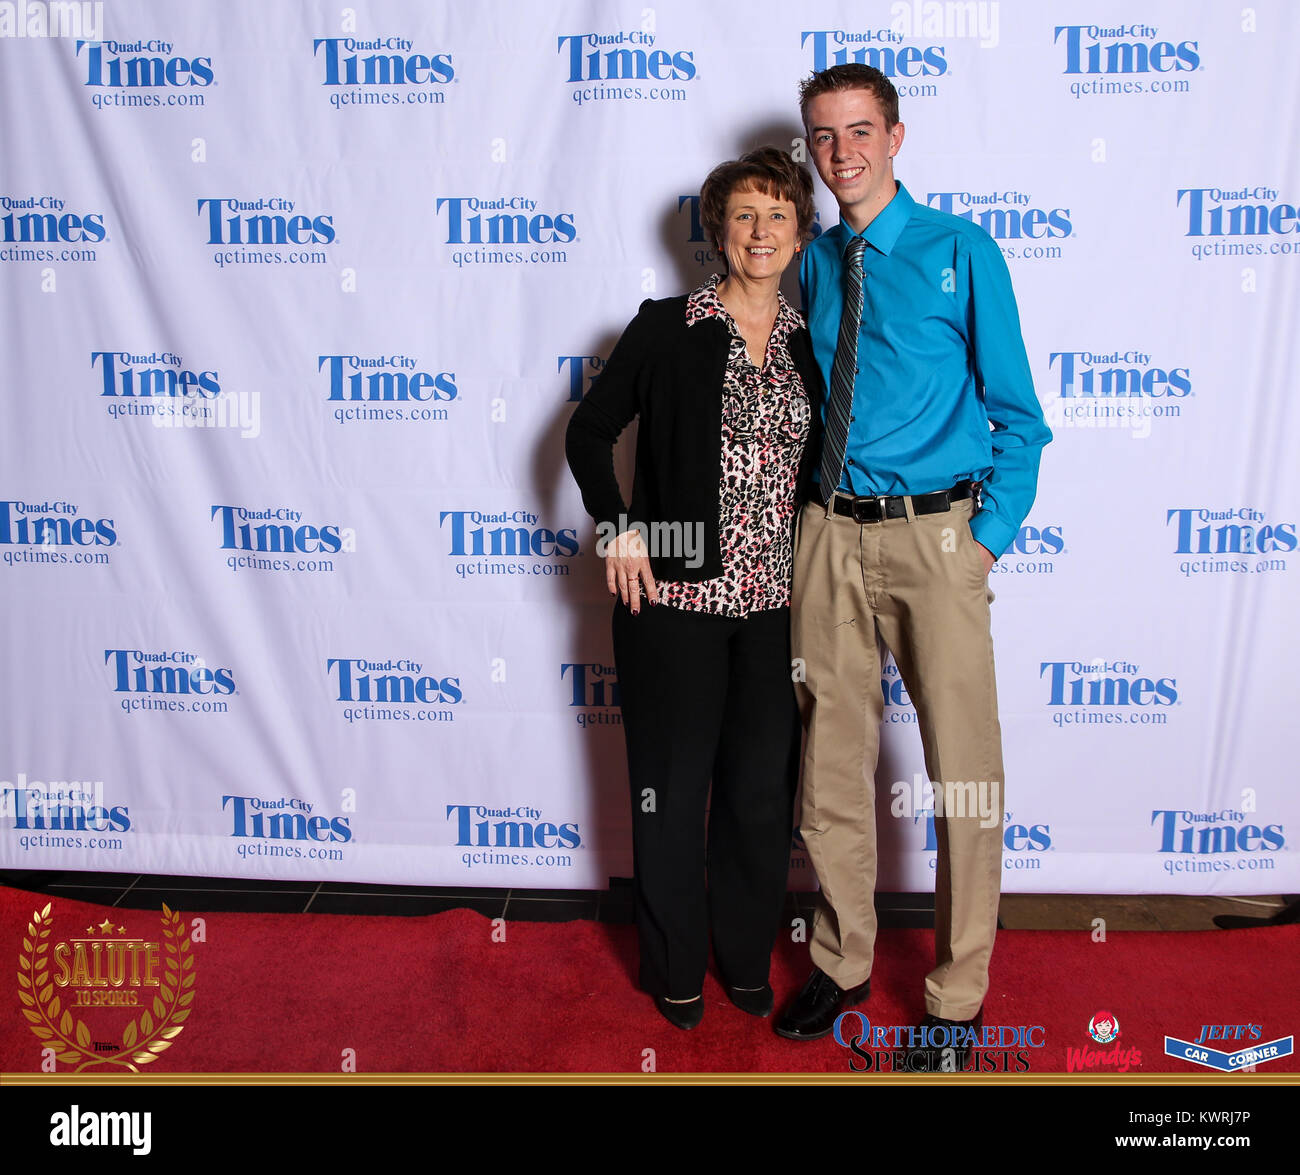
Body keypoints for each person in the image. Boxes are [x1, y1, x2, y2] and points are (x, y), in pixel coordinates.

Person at [774, 64, 1051, 1070]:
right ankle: (843, 957)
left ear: (897, 136)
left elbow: (1020, 415)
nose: (839, 152)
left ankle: (957, 987)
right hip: (828, 532)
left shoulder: (960, 251)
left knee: (964, 771)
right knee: (829, 760)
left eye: (857, 131)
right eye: (821, 135)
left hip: (937, 539)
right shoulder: (811, 264)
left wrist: (981, 542)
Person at [565, 148, 825, 1030]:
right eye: (745, 215)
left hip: (774, 610)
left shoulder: (813, 340)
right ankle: (675, 967)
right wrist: (618, 523)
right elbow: (590, 431)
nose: (761, 232)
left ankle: (744, 958)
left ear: (799, 232)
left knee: (758, 795)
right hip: (673, 606)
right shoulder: (665, 324)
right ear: (717, 230)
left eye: (778, 215)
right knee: (670, 795)